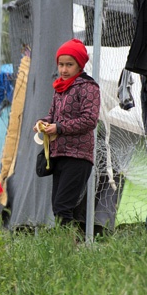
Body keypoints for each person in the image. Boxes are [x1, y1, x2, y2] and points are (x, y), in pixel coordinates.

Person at [33, 38, 100, 231]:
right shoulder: (60, 88)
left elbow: (90, 120)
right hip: (59, 154)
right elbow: (53, 116)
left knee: (63, 207)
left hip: (78, 156)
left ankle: (67, 251)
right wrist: (43, 123)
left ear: (79, 65)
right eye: (61, 64)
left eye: (69, 65)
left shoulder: (89, 87)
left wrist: (59, 128)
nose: (63, 69)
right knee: (58, 208)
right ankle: (67, 249)